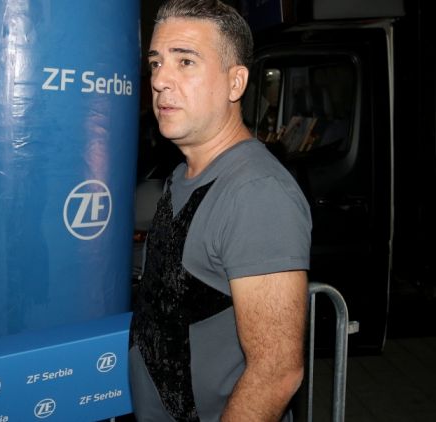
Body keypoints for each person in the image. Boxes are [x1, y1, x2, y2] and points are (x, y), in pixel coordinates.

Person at [129, 1, 312, 421]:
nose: (160, 80)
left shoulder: (256, 193)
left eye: (185, 61)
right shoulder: (183, 174)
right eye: (156, 62)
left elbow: (277, 373)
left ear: (235, 83)